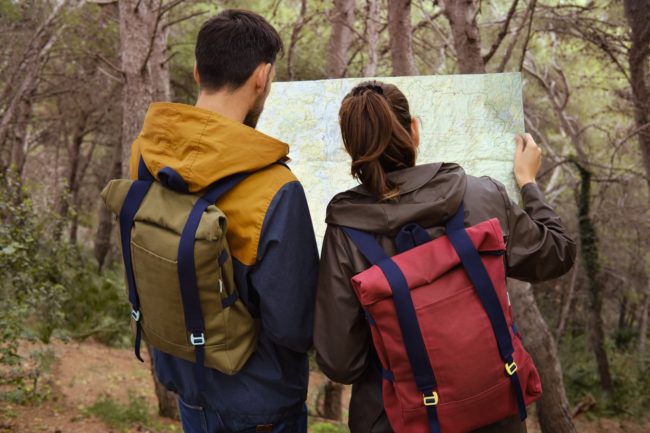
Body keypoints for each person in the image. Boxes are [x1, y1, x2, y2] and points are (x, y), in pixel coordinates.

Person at [314, 81, 577, 433]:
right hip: (493, 412)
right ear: (414, 130)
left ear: (353, 148)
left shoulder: (345, 231)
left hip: (395, 420)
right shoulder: (482, 195)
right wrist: (528, 183)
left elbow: (341, 362)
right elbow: (557, 253)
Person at [127, 10, 318, 433]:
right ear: (262, 76)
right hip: (261, 403)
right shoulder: (276, 188)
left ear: (197, 70)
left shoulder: (145, 155)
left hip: (187, 387)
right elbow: (292, 327)